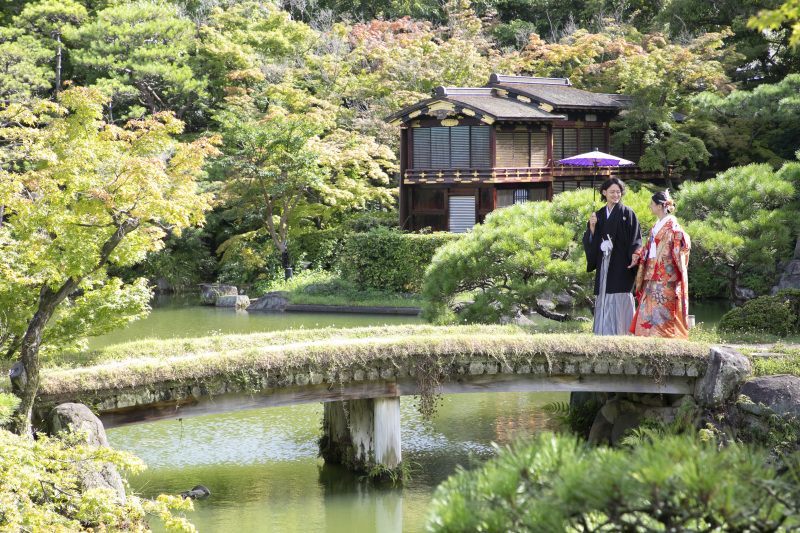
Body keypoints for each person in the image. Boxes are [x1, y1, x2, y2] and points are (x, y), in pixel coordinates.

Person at [582, 177, 642, 335]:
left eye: (618, 192)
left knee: (620, 294)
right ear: (604, 193)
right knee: (604, 293)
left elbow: (636, 239)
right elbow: (590, 240)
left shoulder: (628, 213)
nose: (616, 195)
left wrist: (636, 254)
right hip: (604, 262)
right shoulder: (600, 214)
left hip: (622, 262)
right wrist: (592, 227)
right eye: (612, 192)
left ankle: (624, 331)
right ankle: (603, 331)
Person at [628, 189, 691, 339]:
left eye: (652, 204)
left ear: (660, 206)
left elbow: (683, 243)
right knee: (648, 306)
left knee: (663, 308)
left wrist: (681, 242)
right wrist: (638, 254)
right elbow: (650, 248)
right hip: (652, 272)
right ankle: (646, 335)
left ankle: (665, 336)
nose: (650, 207)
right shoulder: (657, 225)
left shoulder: (673, 226)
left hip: (665, 275)